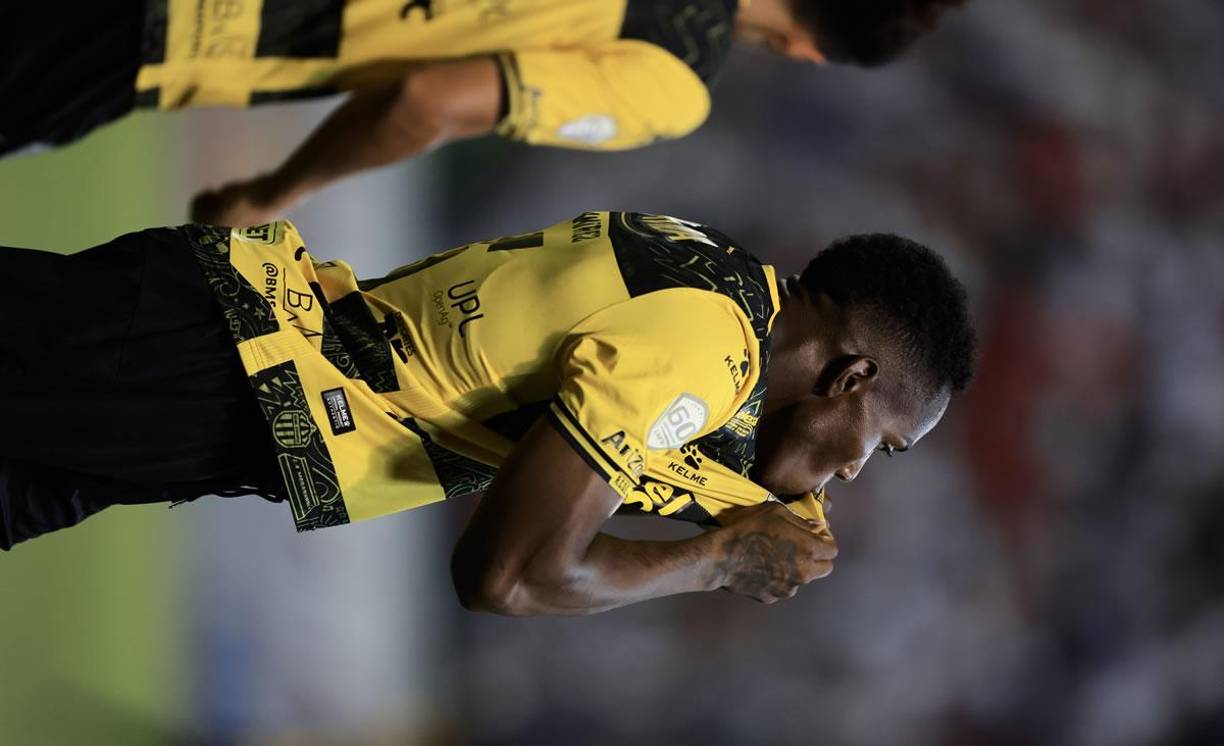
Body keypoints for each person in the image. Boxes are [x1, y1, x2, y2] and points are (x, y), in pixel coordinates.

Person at [0, 211, 976, 615]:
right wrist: (716, 561)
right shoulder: (706, 352)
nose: (851, 473)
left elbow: (652, 451)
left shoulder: (717, 285)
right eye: (879, 448)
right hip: (210, 372)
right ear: (850, 379)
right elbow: (507, 573)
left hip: (224, 357)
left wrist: (737, 513)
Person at [1, 0, 968, 224]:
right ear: (814, 50)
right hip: (188, 26)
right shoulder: (668, 75)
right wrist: (278, 187)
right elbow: (429, 100)